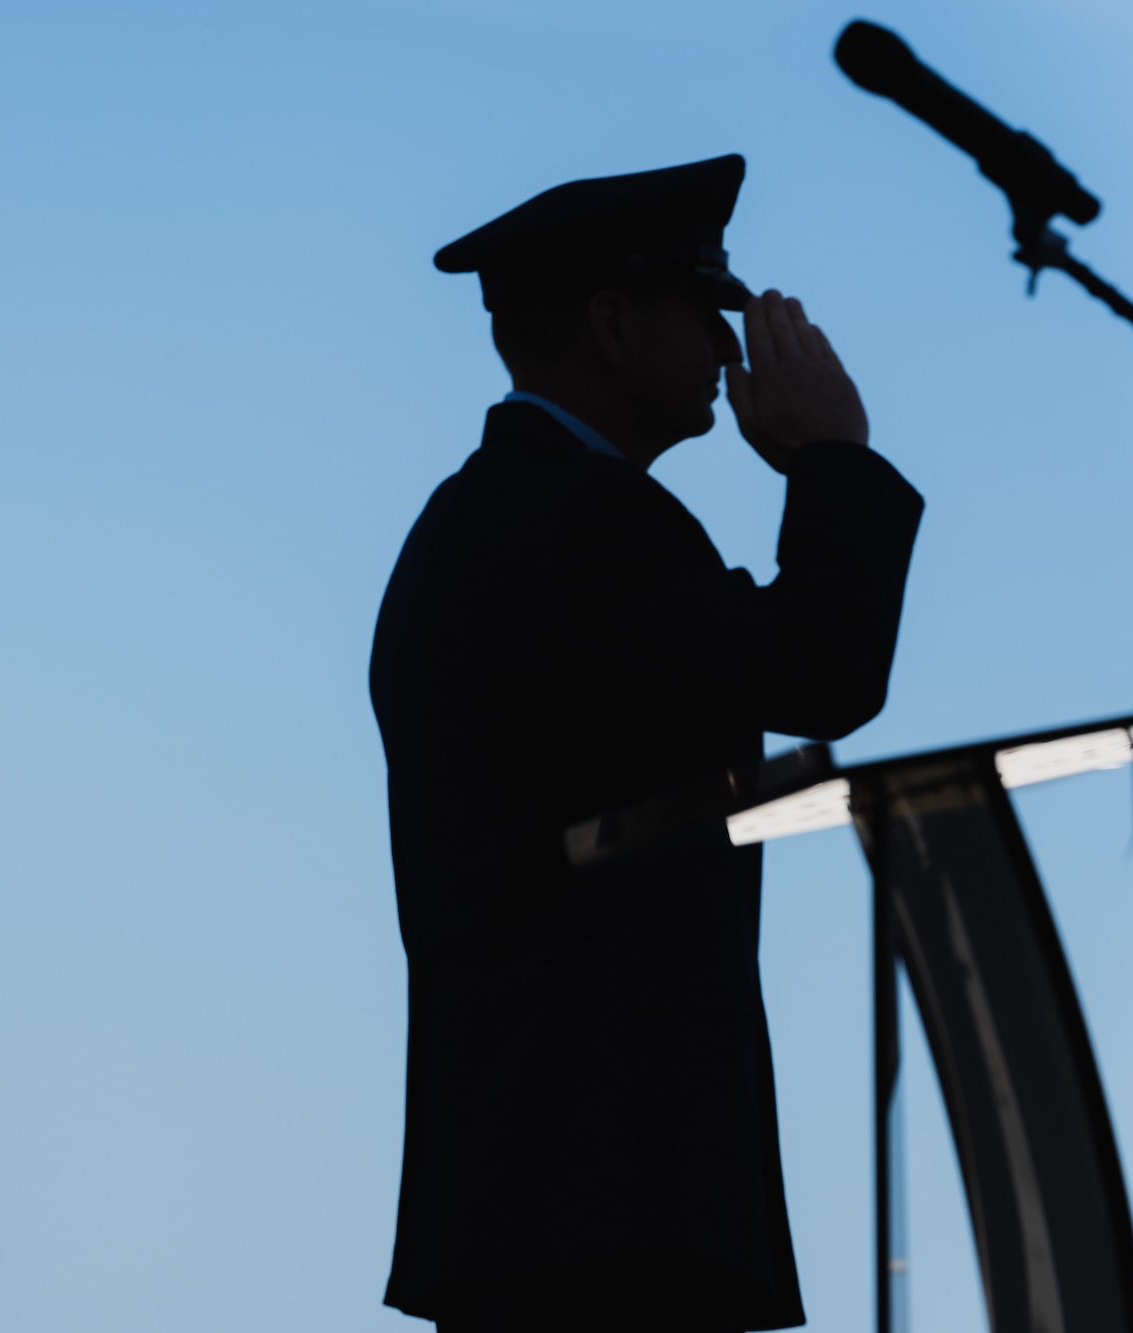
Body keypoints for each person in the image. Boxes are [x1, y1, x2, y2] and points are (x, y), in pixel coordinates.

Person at [369, 156, 926, 1330]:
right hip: (603, 1191)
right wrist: (833, 460)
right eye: (701, 313)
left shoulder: (505, 515)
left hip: (548, 1193)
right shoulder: (576, 520)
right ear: (614, 324)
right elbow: (821, 667)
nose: (731, 354)